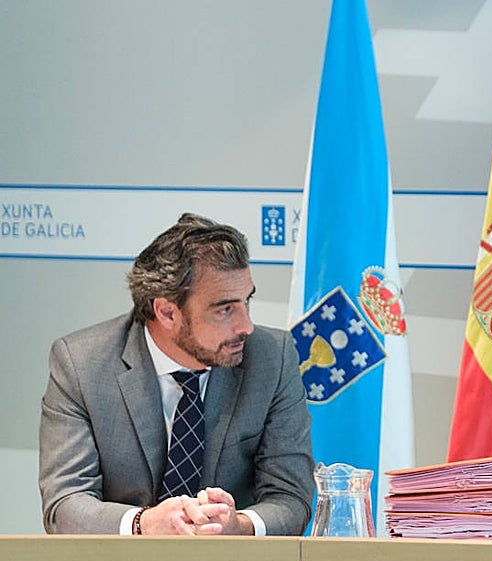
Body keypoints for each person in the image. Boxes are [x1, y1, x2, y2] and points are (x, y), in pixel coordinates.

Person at [39, 213, 315, 536]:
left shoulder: (272, 357)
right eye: (225, 309)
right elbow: (65, 504)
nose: (246, 326)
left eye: (246, 301)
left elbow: (291, 497)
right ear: (167, 312)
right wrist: (145, 523)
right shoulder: (81, 364)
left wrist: (238, 524)